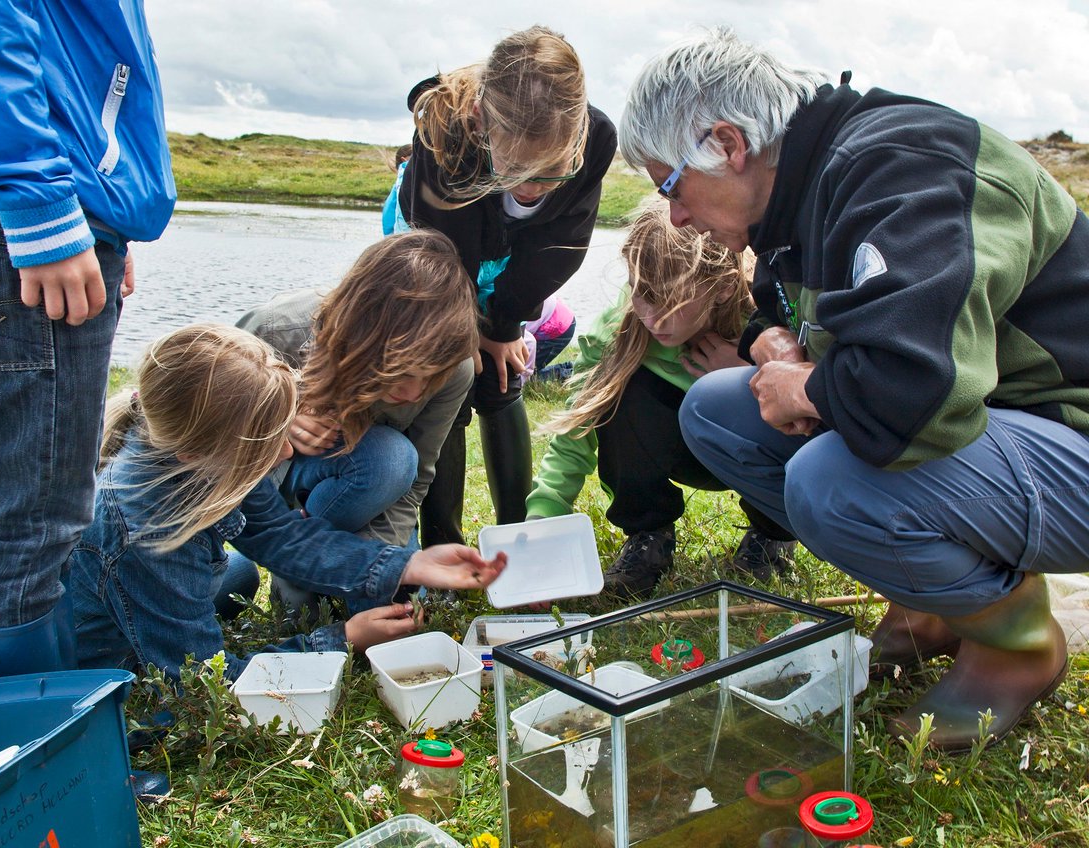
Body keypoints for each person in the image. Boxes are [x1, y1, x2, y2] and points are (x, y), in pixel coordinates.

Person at [620, 27, 1088, 751]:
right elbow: (793, 323)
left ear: (728, 143)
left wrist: (809, 392)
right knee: (718, 410)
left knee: (830, 478)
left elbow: (917, 394)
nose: (674, 215)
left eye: (671, 187)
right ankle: (934, 607)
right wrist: (767, 344)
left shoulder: (903, 169)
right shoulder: (797, 194)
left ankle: (1015, 641)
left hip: (1068, 438)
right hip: (996, 436)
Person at [0, 0, 176, 680]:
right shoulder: (37, 209)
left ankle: (54, 715)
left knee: (58, 498)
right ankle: (21, 766)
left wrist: (108, 211)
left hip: (75, 205)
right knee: (37, 510)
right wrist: (44, 209)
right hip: (26, 207)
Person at [69, 324, 506, 682]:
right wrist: (341, 639)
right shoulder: (147, 532)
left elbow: (281, 534)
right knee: (211, 592)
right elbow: (201, 683)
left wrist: (407, 565)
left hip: (143, 578)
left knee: (237, 574)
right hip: (101, 665)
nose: (286, 453)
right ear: (197, 450)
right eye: (268, 440)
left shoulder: (203, 460)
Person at [388, 25, 618, 547]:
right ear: (480, 123)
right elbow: (442, 252)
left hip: (515, 250)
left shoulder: (598, 138)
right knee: (446, 374)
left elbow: (562, 244)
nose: (532, 188)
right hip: (432, 248)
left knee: (500, 371)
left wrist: (506, 323)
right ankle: (441, 541)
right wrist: (462, 330)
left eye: (550, 173)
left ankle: (520, 534)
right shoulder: (446, 132)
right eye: (515, 169)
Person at [527, 208, 796, 597]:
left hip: (749, 457)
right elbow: (574, 434)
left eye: (671, 302)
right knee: (621, 386)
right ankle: (648, 535)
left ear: (721, 287)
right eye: (641, 294)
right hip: (682, 451)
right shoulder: (619, 328)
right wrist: (542, 524)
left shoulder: (769, 313)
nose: (652, 318)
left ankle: (772, 533)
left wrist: (748, 373)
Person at [234, 230, 477, 602]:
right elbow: (209, 446)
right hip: (276, 493)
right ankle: (297, 569)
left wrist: (386, 566)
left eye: (429, 377)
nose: (414, 393)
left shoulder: (455, 369)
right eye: (400, 371)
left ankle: (326, 564)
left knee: (398, 603)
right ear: (361, 332)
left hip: (371, 491)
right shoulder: (271, 331)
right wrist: (278, 420)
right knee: (389, 458)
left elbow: (416, 480)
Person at [382, 144, 414, 237]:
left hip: (399, 235)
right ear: (404, 160)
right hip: (406, 234)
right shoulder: (404, 181)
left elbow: (387, 215)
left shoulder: (397, 185)